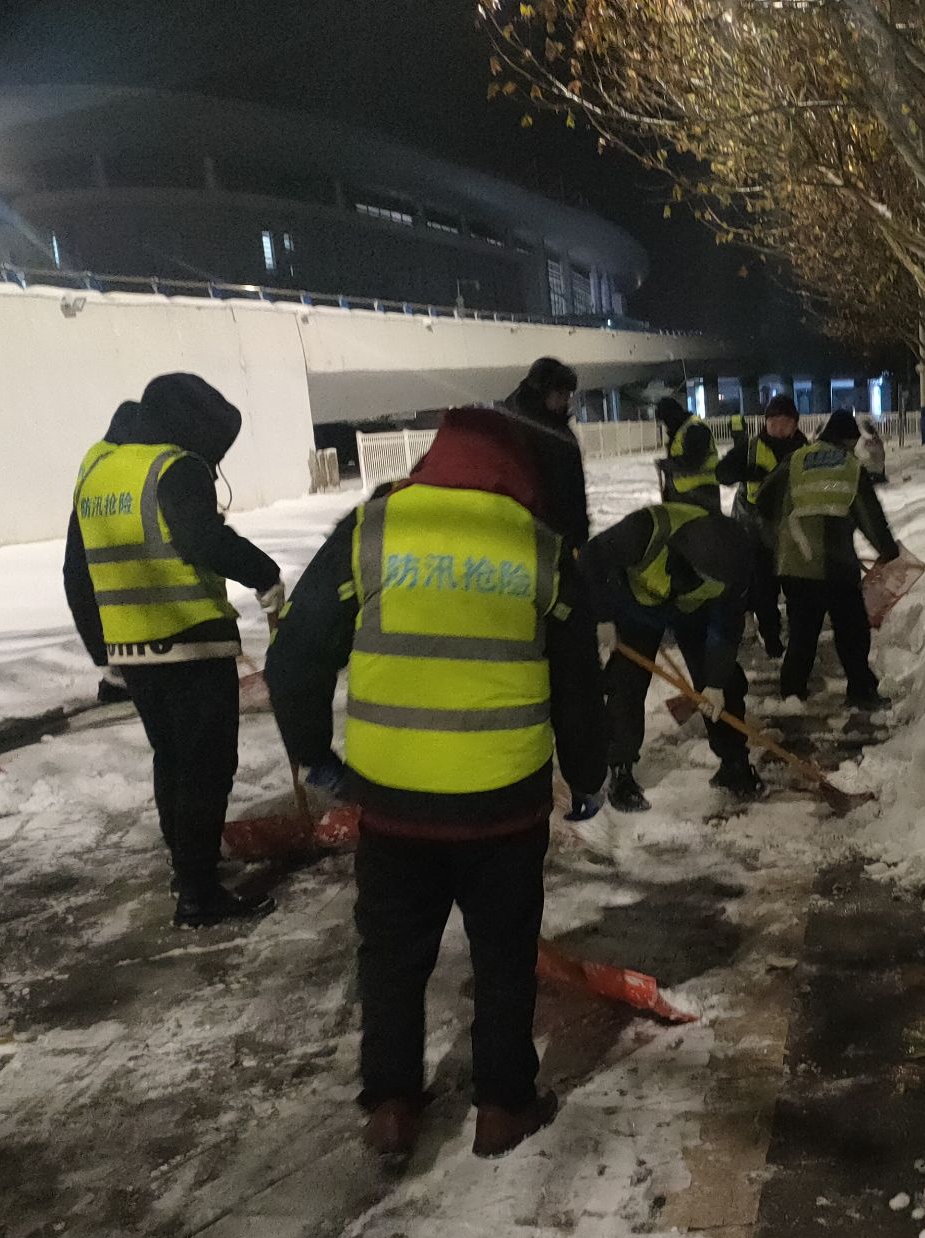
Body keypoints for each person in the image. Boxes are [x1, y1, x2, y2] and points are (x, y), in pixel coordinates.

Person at [266, 406, 606, 1166]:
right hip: (504, 807)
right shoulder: (541, 547)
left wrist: (316, 756)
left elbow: (294, 656)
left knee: (391, 958)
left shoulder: (372, 531)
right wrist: (588, 776)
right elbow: (580, 686)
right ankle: (502, 1108)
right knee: (504, 958)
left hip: (393, 805)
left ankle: (391, 1105)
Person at [63, 373, 284, 926]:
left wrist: (104, 652)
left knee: (173, 760)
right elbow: (201, 539)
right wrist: (265, 573)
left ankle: (187, 868)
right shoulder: (174, 467)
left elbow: (76, 569)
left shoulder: (98, 471)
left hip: (134, 649)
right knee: (207, 768)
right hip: (190, 641)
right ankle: (199, 895)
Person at [581, 501, 760, 812]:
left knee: (725, 684)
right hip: (636, 609)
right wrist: (602, 616)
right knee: (626, 684)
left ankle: (734, 764)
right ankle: (621, 771)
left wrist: (715, 683)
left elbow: (725, 631)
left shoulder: (732, 569)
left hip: (692, 613)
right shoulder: (643, 531)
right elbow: (591, 558)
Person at [768, 408, 900, 710]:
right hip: (836, 565)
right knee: (852, 631)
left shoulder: (795, 460)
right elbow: (869, 516)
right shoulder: (850, 467)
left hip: (796, 564)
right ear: (848, 440)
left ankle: (792, 692)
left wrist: (781, 539)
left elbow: (764, 499)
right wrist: (887, 551)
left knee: (802, 632)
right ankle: (861, 690)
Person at [66, 399, 145, 705]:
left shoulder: (94, 465)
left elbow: (75, 575)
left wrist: (103, 656)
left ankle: (117, 675)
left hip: (123, 648)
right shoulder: (132, 468)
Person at [717, 393, 809, 658]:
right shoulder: (750, 448)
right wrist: (748, 472)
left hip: (793, 531)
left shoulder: (805, 451)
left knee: (797, 589)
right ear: (765, 423)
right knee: (764, 591)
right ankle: (771, 637)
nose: (778, 428)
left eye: (785, 423)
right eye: (773, 422)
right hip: (757, 533)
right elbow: (722, 473)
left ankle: (798, 636)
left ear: (795, 424)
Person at [502, 357, 590, 549]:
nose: (566, 400)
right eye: (560, 393)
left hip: (559, 535)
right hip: (534, 537)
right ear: (541, 391)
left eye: (568, 394)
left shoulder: (553, 425)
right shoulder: (520, 427)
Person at [653, 396, 720, 510]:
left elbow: (692, 462)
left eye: (665, 421)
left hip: (701, 493)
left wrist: (667, 464)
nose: (665, 426)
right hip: (685, 494)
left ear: (671, 416)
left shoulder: (695, 428)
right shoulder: (680, 430)